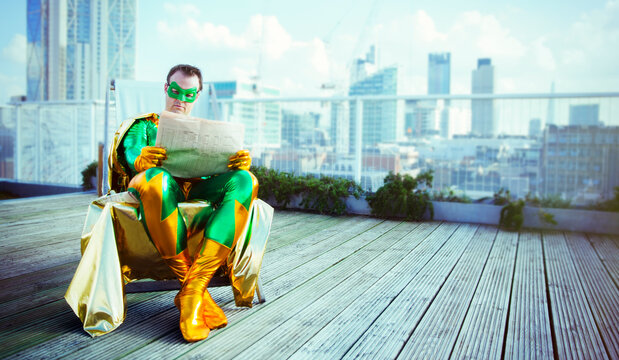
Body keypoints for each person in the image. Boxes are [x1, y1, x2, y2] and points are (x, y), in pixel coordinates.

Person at [109, 64, 257, 342]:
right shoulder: (143, 125)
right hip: (155, 187)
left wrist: (236, 164)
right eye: (175, 91)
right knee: (155, 179)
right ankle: (193, 289)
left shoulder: (207, 131)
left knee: (247, 180)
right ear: (166, 89)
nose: (180, 99)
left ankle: (192, 290)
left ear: (197, 96)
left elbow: (224, 172)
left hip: (199, 189)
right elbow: (128, 152)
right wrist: (138, 160)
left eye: (189, 94)